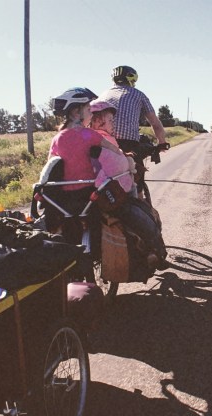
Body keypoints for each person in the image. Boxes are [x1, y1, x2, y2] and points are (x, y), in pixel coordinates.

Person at [88, 99, 168, 272]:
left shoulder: (87, 138)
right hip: (112, 189)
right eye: (110, 121)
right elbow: (115, 162)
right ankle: (156, 251)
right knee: (139, 209)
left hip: (90, 189)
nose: (112, 125)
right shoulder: (106, 138)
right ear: (99, 122)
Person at [46, 87, 122, 237]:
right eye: (88, 110)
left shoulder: (57, 138)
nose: (91, 114)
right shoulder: (88, 134)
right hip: (87, 194)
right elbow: (115, 151)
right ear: (76, 113)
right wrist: (124, 156)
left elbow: (50, 167)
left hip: (64, 197)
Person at [97, 65, 169, 199]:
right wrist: (162, 142)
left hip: (100, 144)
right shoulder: (138, 94)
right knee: (137, 184)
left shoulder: (103, 94)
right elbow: (155, 124)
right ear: (131, 79)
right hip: (128, 145)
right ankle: (139, 201)